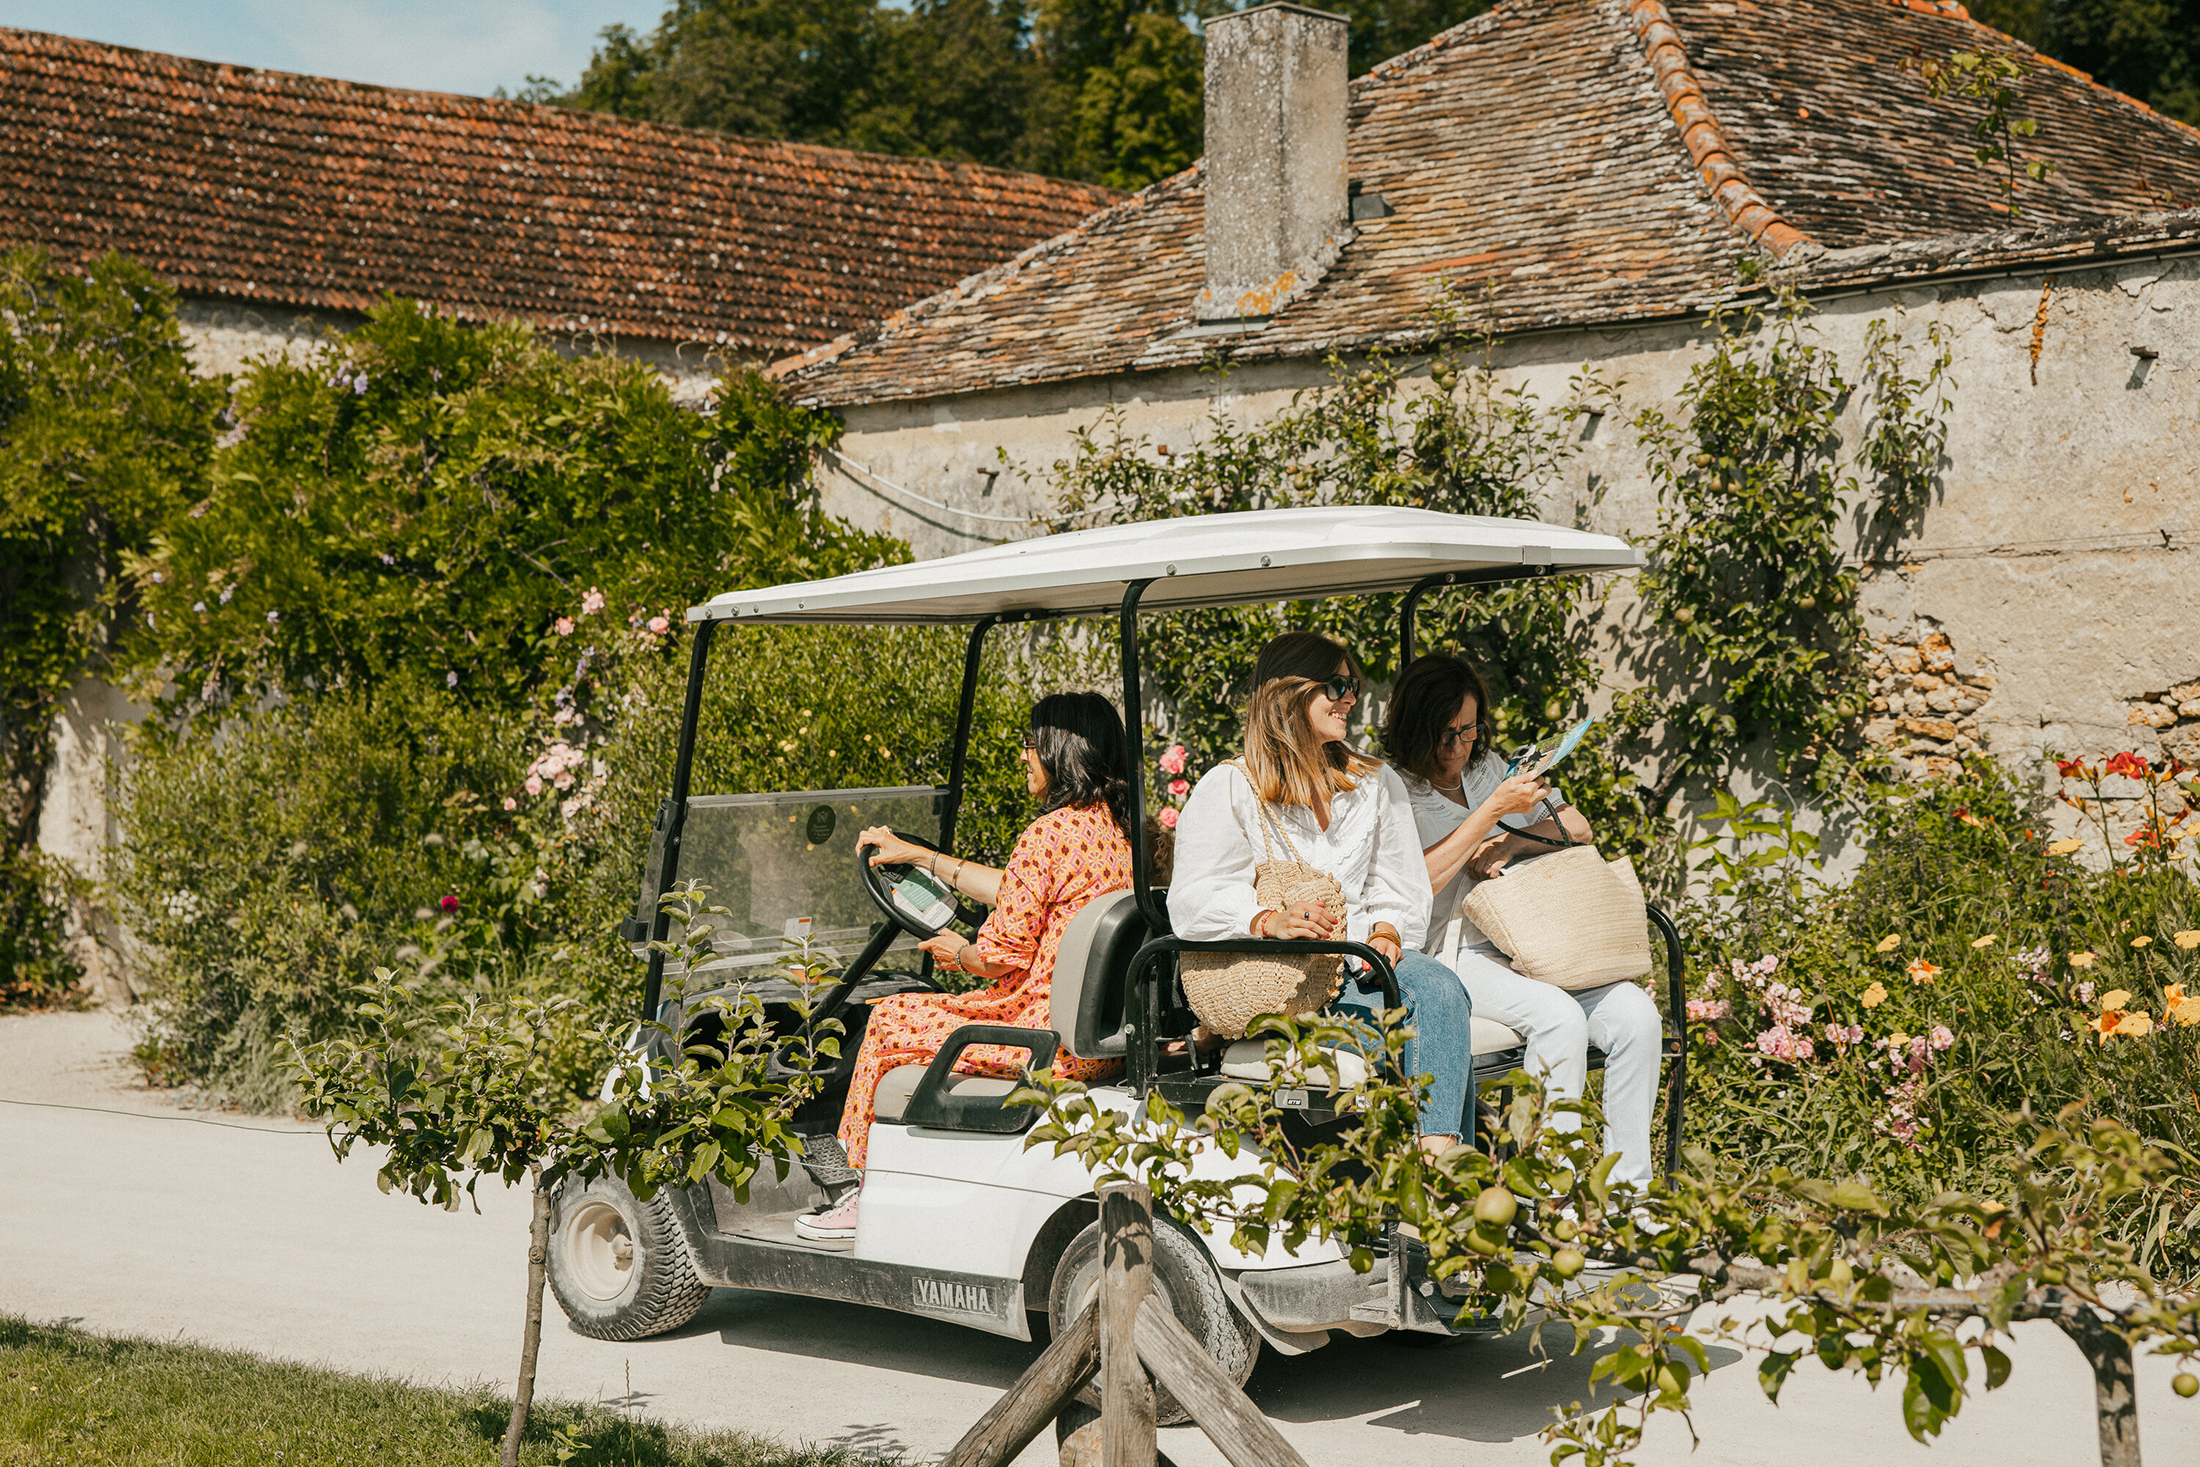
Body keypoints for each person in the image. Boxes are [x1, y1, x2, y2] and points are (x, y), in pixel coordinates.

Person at [795, 692, 1134, 1240]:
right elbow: (1016, 889)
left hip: (1034, 1034)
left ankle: (857, 1189)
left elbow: (999, 957)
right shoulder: (1121, 833)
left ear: (1059, 750)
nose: (1024, 755)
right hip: (1095, 1042)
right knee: (913, 1010)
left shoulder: (1046, 835)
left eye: (1031, 744)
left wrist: (960, 952)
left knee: (887, 1016)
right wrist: (921, 858)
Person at [1168, 632, 1476, 1156]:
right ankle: (1437, 1178)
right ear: (1288, 693)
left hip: (1359, 960)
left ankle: (1436, 1163)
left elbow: (1395, 882)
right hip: (1284, 976)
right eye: (1336, 685)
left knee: (1442, 991)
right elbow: (1194, 897)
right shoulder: (1231, 787)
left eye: (1352, 684)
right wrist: (1266, 920)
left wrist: (1386, 928)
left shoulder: (1373, 783)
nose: (1351, 697)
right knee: (1426, 1035)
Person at [1384, 653, 1664, 1192]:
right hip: (1455, 952)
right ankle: (1548, 1195)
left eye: (1470, 731)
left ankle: (1628, 1199)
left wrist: (1510, 840)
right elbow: (1412, 884)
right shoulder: (1392, 788)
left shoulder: (1488, 769)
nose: (1459, 747)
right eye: (1447, 734)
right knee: (1559, 1018)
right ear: (1417, 727)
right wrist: (1489, 815)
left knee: (1637, 1017)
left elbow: (1576, 827)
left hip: (1537, 940)